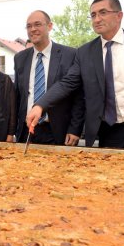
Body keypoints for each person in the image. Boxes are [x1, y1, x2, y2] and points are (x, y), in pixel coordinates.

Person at [27, 0, 124, 149]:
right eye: (93, 15)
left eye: (103, 13)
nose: (97, 19)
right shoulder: (85, 52)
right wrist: (40, 105)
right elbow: (67, 83)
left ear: (119, 16)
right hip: (107, 132)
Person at [14, 10, 85, 146]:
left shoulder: (70, 54)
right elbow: (18, 95)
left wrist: (75, 129)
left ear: (50, 26)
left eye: (37, 24)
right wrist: (13, 131)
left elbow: (78, 96)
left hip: (58, 131)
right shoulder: (20, 58)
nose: (33, 29)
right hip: (27, 130)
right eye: (29, 26)